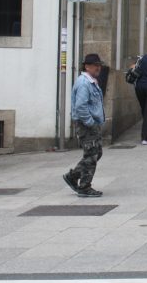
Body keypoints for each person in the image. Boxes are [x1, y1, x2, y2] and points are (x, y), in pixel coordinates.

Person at [63, 53, 106, 198]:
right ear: (87, 66)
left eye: (99, 65)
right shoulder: (84, 83)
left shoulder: (91, 81)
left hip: (90, 123)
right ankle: (84, 186)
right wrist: (90, 123)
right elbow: (80, 106)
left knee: (96, 153)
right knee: (92, 155)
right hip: (86, 124)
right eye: (95, 65)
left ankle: (73, 175)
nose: (98, 68)